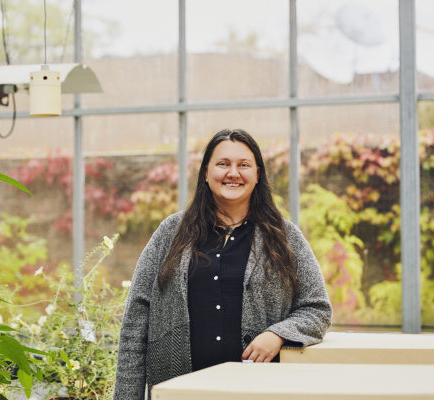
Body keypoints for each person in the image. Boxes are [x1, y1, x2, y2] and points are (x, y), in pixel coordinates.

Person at [113, 129, 332, 400]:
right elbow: (136, 323)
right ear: (206, 173)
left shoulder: (285, 237)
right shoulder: (170, 233)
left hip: (259, 391)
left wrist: (277, 335)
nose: (233, 173)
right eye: (223, 164)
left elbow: (317, 308)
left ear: (257, 175)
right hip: (179, 389)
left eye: (243, 165)